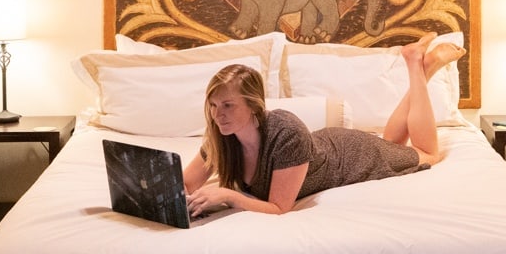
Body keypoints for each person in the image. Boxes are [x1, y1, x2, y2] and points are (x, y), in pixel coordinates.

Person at [182, 34, 464, 216]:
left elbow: (279, 208)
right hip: (326, 143)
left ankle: (418, 65)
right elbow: (187, 184)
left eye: (228, 105)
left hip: (352, 155)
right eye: (214, 105)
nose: (219, 114)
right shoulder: (222, 134)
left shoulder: (285, 132)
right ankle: (420, 66)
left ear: (254, 104)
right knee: (393, 143)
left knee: (428, 153)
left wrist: (228, 195)